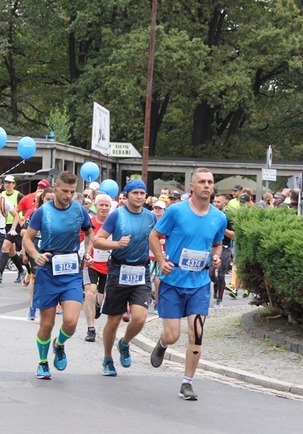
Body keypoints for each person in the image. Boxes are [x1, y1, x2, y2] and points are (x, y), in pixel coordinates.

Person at [148, 168, 227, 401]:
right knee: (173, 335)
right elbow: (154, 236)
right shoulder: (175, 212)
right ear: (192, 186)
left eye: (210, 182)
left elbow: (217, 244)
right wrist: (162, 261)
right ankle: (163, 343)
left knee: (197, 333)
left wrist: (216, 256)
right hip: (173, 281)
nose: (206, 185)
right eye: (201, 182)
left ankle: (187, 383)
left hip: (200, 282)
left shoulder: (219, 217)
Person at [22, 171, 94, 380]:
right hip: (48, 270)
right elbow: (27, 239)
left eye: (72, 192)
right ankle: (43, 362)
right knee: (47, 324)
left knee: (71, 322)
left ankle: (59, 344)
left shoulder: (80, 211)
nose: (68, 195)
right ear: (55, 188)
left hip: (71, 270)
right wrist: (35, 255)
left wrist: (87, 251)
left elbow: (90, 233)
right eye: (64, 191)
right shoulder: (42, 212)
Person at [94, 180, 157, 376]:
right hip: (118, 271)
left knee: (140, 318)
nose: (139, 197)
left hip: (141, 272)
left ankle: (125, 343)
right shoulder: (116, 215)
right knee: (113, 321)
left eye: (142, 193)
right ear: (127, 195)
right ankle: (107, 358)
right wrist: (116, 245)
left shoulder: (150, 217)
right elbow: (98, 240)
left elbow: (157, 238)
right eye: (135, 193)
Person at [82, 193, 112, 342]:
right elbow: (82, 242)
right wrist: (85, 255)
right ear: (95, 205)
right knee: (89, 294)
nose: (104, 208)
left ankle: (98, 306)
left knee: (101, 299)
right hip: (91, 263)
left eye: (107, 205)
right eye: (101, 205)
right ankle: (91, 329)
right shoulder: (89, 223)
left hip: (109, 265)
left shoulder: (114, 224)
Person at [25, 187, 55, 320]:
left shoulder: (59, 213)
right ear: (42, 198)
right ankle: (32, 307)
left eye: (52, 199)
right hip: (36, 249)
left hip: (53, 250)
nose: (50, 202)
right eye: (48, 199)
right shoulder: (36, 213)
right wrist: (26, 252)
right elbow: (24, 234)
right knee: (35, 278)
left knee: (50, 279)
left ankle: (51, 304)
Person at [0, 175, 26, 284]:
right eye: (6, 182)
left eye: (10, 182)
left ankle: (0, 273)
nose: (7, 184)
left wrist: (24, 219)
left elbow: (25, 207)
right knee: (11, 251)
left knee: (5, 246)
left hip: (15, 224)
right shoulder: (1, 195)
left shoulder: (19, 195)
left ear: (14, 184)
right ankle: (22, 271)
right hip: (4, 224)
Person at [210, 194, 234, 308]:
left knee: (221, 274)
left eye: (218, 202)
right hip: (211, 246)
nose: (215, 204)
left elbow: (234, 235)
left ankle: (219, 299)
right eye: (214, 201)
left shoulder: (228, 217)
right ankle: (216, 285)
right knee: (210, 273)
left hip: (224, 247)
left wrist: (222, 228)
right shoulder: (209, 214)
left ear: (225, 203)